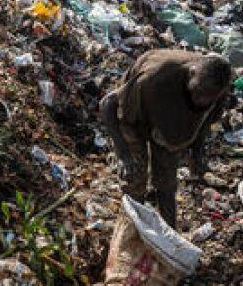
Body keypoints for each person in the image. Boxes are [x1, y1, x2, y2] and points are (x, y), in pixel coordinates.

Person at [100, 50, 234, 227]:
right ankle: (132, 232)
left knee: (167, 185)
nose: (202, 100)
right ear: (191, 73)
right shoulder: (154, 79)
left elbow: (204, 124)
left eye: (209, 97)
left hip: (169, 128)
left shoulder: (218, 91)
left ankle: (169, 235)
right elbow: (108, 104)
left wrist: (197, 156)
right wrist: (124, 155)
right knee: (135, 182)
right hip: (135, 117)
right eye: (199, 92)